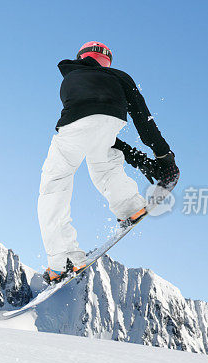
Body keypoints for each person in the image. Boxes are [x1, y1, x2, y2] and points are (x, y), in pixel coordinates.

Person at [38, 41, 178, 283]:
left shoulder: (73, 75)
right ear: (108, 62)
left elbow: (84, 121)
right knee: (103, 160)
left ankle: (63, 259)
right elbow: (143, 119)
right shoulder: (119, 76)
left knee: (55, 184)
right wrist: (163, 156)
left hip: (75, 124)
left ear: (81, 57)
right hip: (113, 120)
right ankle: (129, 206)